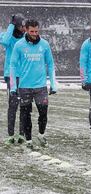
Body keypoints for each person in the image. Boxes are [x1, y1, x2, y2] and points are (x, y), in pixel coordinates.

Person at [9, 19, 57, 149]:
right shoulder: (19, 45)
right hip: (24, 86)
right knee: (25, 114)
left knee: (43, 113)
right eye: (32, 31)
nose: (34, 33)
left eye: (36, 31)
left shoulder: (45, 44)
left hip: (41, 86)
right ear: (26, 29)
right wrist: (13, 87)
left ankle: (41, 134)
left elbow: (51, 64)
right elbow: (12, 66)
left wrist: (53, 84)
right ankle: (29, 140)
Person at [1, 14, 26, 145]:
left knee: (24, 105)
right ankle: (11, 134)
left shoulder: (26, 38)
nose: (24, 28)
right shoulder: (8, 37)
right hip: (11, 75)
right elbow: (4, 42)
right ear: (16, 26)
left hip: (25, 76)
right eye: (22, 26)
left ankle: (22, 134)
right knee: (13, 105)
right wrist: (11, 24)